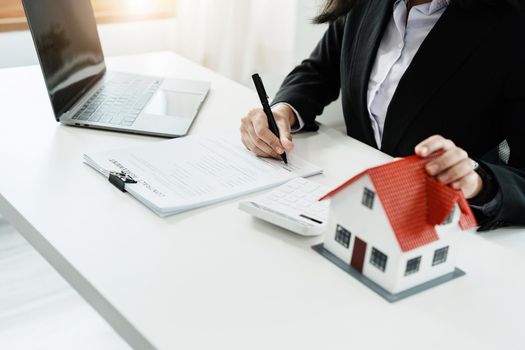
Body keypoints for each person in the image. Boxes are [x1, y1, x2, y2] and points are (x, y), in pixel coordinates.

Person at [240, 0, 525, 231]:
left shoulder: (512, 25)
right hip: (349, 208)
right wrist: (283, 111)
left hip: (443, 231)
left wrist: (477, 183)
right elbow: (320, 69)